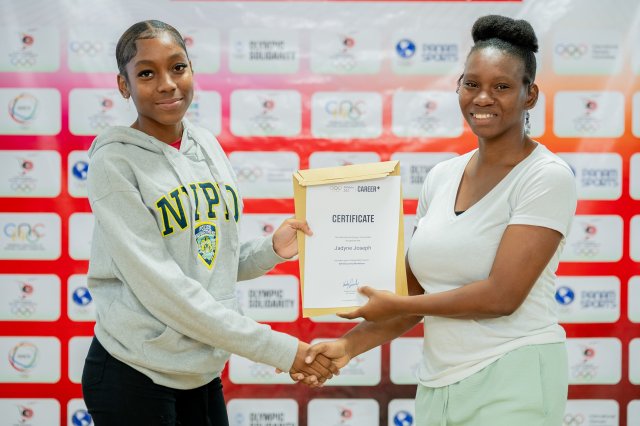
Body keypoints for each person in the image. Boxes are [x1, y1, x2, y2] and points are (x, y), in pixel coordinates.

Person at [299, 14, 577, 426]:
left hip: (515, 375)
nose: (483, 98)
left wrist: (399, 303)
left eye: (502, 87)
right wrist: (348, 347)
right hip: (438, 384)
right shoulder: (442, 176)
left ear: (530, 94)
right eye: (472, 84)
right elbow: (415, 295)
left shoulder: (546, 176)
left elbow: (502, 297)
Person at [81, 20, 336, 425]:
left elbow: (210, 261)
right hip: (134, 372)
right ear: (123, 85)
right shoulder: (114, 163)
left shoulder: (206, 145)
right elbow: (165, 288)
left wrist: (270, 250)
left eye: (178, 67)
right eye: (146, 73)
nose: (167, 84)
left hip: (199, 370)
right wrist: (285, 351)